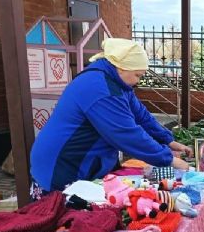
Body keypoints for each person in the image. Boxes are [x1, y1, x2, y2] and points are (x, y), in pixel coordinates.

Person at [30, 38, 192, 198]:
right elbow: (126, 134)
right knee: (60, 210)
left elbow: (141, 116)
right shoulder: (99, 88)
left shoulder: (117, 84)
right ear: (121, 68)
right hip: (62, 165)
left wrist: (168, 140)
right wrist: (168, 159)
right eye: (137, 75)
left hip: (86, 160)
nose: (138, 81)